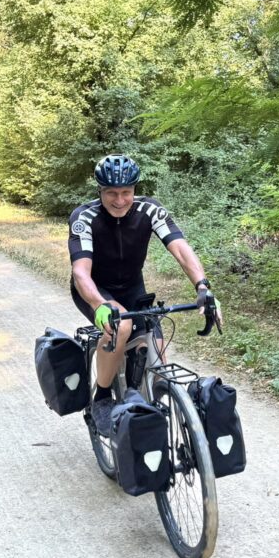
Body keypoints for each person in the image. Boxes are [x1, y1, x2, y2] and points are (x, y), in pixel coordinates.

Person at [69, 154, 222, 436]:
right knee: (121, 325)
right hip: (95, 289)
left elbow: (180, 249)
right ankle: (102, 397)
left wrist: (203, 286)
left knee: (156, 355)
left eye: (126, 192)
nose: (119, 200)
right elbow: (81, 272)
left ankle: (144, 406)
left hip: (132, 286)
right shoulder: (85, 216)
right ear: (100, 191)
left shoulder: (150, 210)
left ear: (135, 189)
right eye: (111, 193)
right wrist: (99, 304)